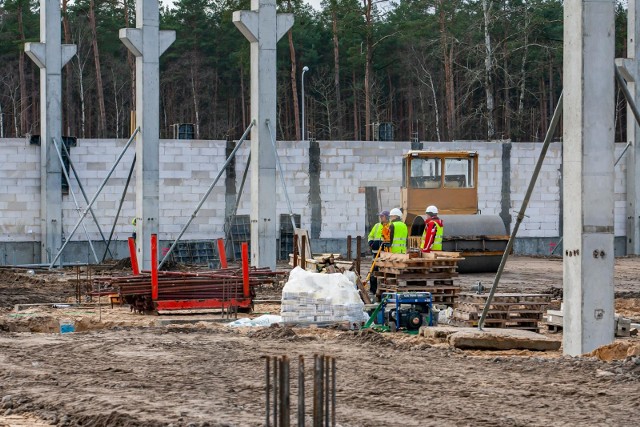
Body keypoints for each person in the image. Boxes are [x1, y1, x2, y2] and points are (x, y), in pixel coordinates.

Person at [367, 210, 390, 296]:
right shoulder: (377, 226)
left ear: (387, 217)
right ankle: (373, 290)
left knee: (385, 273)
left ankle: (384, 291)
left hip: (385, 254)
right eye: (380, 216)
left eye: (382, 216)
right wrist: (371, 243)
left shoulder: (390, 226)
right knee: (373, 273)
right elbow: (370, 235)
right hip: (375, 253)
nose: (380, 217)